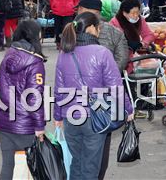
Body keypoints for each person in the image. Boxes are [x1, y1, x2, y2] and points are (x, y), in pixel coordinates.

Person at [54, 12, 134, 180]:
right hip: (94, 118)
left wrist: (58, 116)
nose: (99, 30)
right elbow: (116, 87)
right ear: (90, 28)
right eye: (98, 27)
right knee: (90, 167)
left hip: (71, 118)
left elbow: (59, 90)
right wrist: (128, 109)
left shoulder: (64, 54)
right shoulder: (102, 53)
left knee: (76, 162)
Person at [77, 0, 129, 179]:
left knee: (78, 147)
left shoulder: (74, 30)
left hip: (76, 98)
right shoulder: (116, 32)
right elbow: (122, 60)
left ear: (83, 9)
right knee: (101, 142)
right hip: (104, 100)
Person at [0, 20, 46, 180]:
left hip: (5, 121)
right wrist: (39, 126)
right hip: (25, 125)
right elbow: (34, 98)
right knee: (33, 167)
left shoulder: (9, 55)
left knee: (8, 165)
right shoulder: (35, 63)